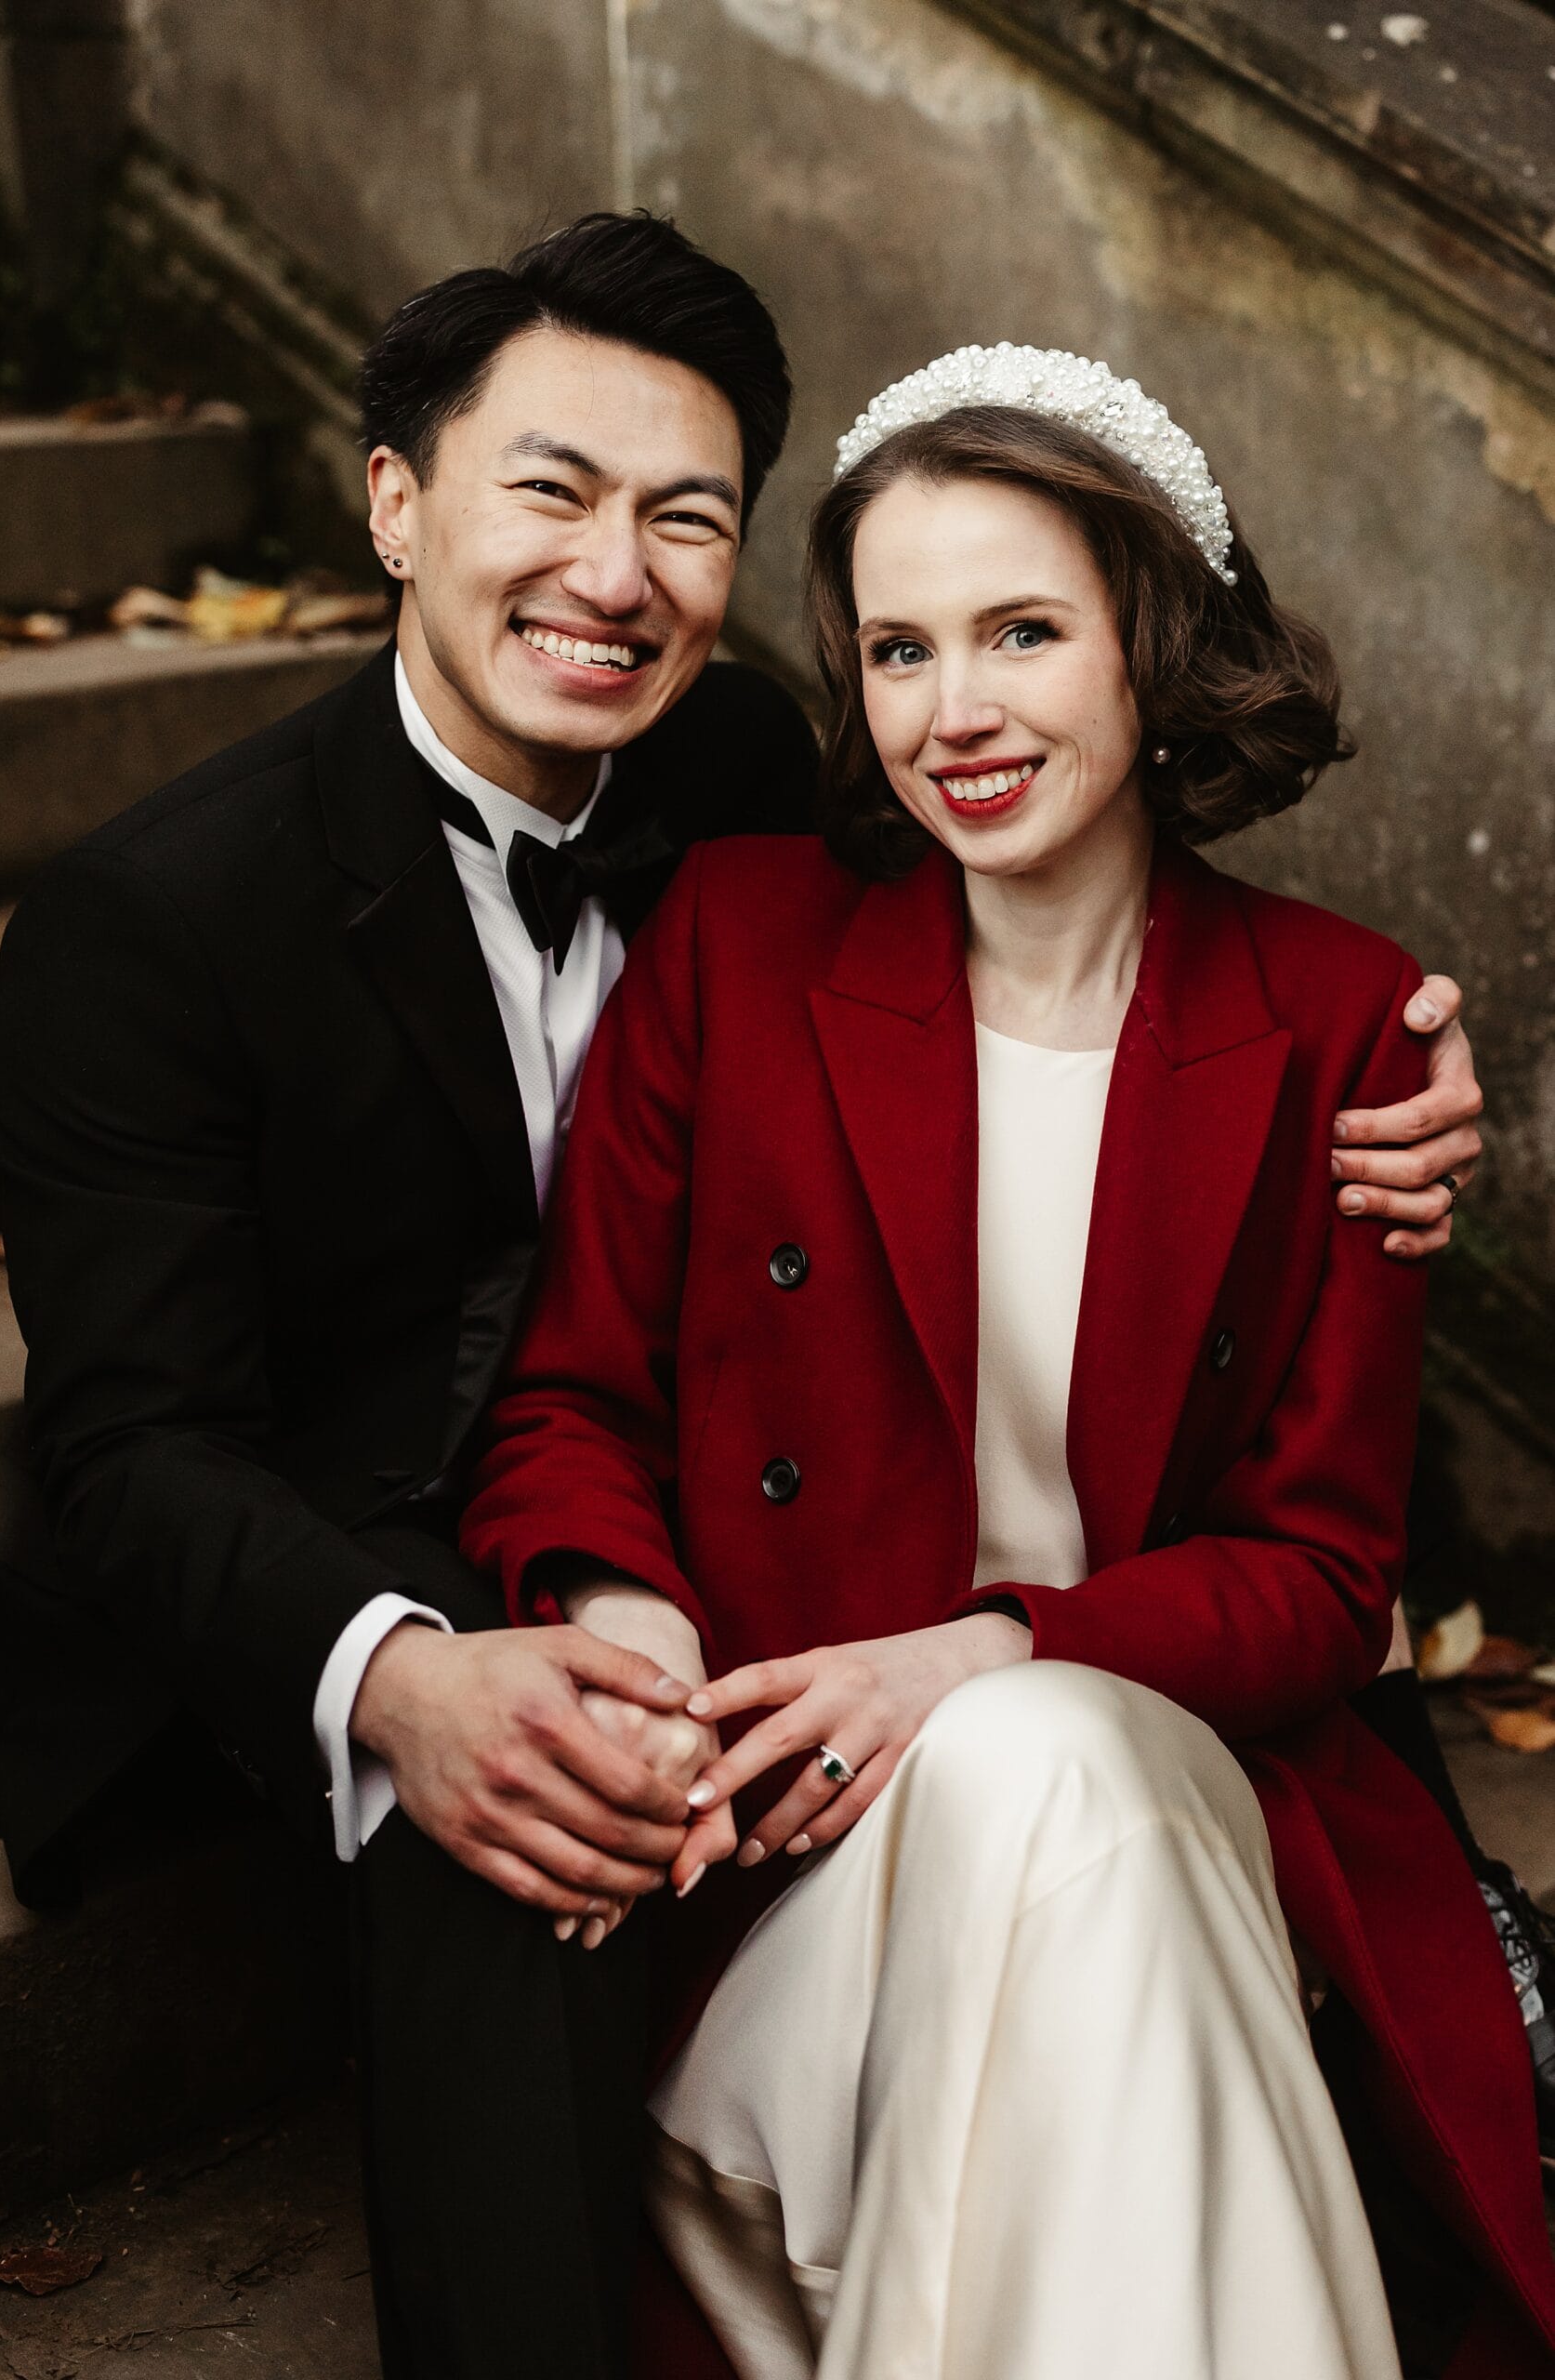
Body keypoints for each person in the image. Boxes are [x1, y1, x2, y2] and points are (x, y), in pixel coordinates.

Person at [0, 211, 1499, 2377]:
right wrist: (489, 1648)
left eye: (681, 515)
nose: (616, 572)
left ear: (1148, 641)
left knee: (1048, 1772)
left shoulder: (734, 793)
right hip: (382, 1555)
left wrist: (1392, 1112)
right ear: (393, 502)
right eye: (550, 489)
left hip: (970, 1696)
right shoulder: (168, 914)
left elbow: (1305, 1529)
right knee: (516, 1813)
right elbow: (142, 1438)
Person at [461, 350, 1555, 2378]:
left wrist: (982, 1653)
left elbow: (1320, 1576)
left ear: (1150, 639)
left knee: (1034, 1756)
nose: (948, 712)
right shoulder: (733, 936)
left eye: (1019, 632)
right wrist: (628, 1640)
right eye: (894, 649)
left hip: (1165, 1800)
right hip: (794, 1876)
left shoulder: (1333, 1025)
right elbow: (572, 1399)